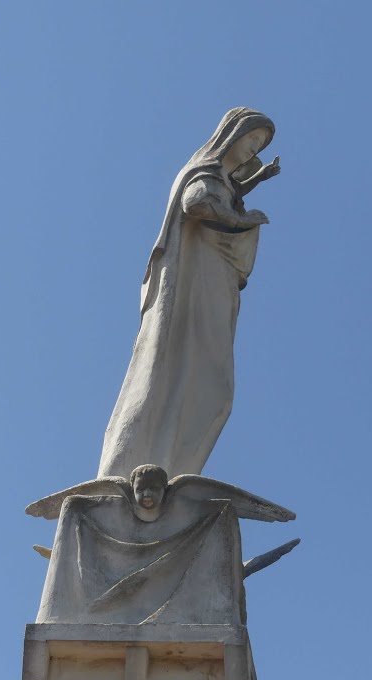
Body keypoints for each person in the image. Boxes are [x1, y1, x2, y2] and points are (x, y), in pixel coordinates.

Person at [98, 108, 281, 481]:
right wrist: (244, 220)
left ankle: (167, 469)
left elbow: (221, 191)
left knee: (209, 387)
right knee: (200, 380)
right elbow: (197, 203)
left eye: (259, 145)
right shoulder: (205, 173)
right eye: (252, 140)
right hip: (197, 284)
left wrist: (254, 181)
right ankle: (147, 468)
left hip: (211, 282)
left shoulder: (219, 178)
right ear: (233, 134)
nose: (253, 150)